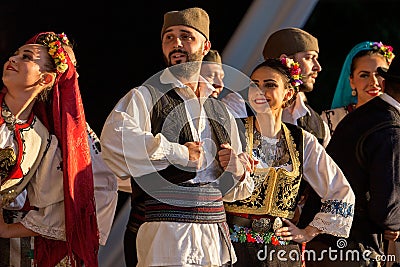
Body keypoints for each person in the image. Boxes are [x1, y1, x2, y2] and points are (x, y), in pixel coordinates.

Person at [100, 7, 254, 267]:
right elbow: (115, 139)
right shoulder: (146, 96)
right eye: (168, 37)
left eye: (186, 36)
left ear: (205, 46)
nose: (176, 44)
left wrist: (237, 171)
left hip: (213, 237)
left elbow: (235, 192)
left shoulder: (221, 111)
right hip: (166, 235)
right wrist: (177, 152)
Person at [0, 31, 117, 267]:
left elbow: (82, 194)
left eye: (26, 56)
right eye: (15, 54)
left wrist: (7, 229)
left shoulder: (42, 137)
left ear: (48, 79)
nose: (12, 59)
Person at [223, 57, 355, 267]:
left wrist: (307, 232)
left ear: (288, 93)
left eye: (270, 85)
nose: (260, 91)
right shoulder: (232, 131)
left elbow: (340, 191)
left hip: (281, 253)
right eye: (254, 85)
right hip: (231, 250)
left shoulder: (303, 141)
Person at [321, 54, 400, 266]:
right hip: (354, 247)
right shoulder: (390, 127)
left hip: (331, 241)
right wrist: (395, 222)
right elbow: (386, 209)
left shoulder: (365, 115)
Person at [321, 41, 395, 136]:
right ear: (352, 81)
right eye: (364, 75)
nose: (374, 82)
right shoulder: (330, 121)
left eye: (379, 74)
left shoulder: (396, 119)